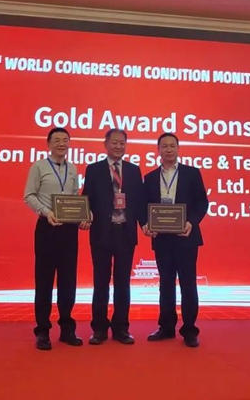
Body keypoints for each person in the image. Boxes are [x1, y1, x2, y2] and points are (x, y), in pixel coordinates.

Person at [142, 133, 209, 348]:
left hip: (186, 237)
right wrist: (145, 224)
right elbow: (143, 206)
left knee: (188, 284)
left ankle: (189, 330)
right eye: (164, 146)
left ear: (178, 149)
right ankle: (166, 327)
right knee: (166, 284)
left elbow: (202, 203)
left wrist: (191, 222)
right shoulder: (150, 178)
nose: (168, 150)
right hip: (162, 239)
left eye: (172, 146)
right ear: (158, 150)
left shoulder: (192, 173)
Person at [24, 127, 87, 350]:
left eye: (65, 140)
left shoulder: (73, 168)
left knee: (68, 281)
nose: (62, 144)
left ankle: (67, 329)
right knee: (44, 281)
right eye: (57, 140)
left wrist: (82, 216)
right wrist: (46, 211)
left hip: (68, 230)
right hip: (47, 227)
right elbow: (28, 196)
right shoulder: (39, 166)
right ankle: (42, 330)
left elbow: (74, 198)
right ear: (48, 144)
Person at [82, 129, 147, 345]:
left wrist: (145, 224)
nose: (119, 147)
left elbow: (139, 202)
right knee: (100, 282)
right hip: (101, 233)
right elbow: (87, 199)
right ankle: (99, 329)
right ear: (106, 144)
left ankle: (121, 328)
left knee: (123, 283)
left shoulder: (134, 171)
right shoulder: (93, 170)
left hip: (125, 233)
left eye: (122, 143)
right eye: (115, 143)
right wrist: (85, 217)